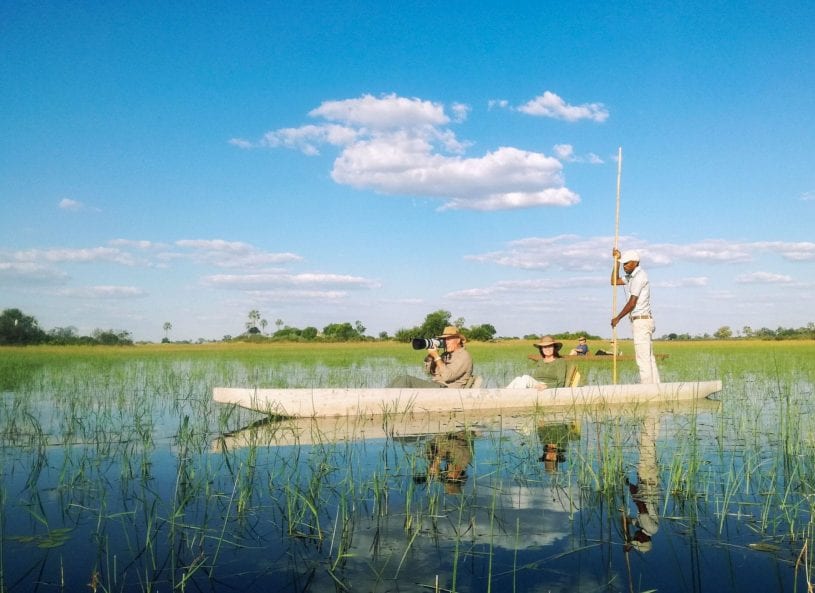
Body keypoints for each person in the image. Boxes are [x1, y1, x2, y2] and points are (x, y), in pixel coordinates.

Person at [611, 248, 661, 384]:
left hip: (641, 321)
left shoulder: (639, 276)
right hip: (642, 320)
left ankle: (647, 389)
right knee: (648, 357)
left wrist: (618, 318)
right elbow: (614, 281)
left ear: (635, 263)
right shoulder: (631, 276)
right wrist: (616, 261)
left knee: (642, 358)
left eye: (627, 263)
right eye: (623, 264)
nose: (624, 266)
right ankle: (656, 387)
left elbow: (632, 302)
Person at [388, 326, 473, 388]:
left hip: (447, 390)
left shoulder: (464, 356)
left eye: (449, 339)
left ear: (458, 340)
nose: (446, 342)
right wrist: (430, 356)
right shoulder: (446, 354)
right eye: (445, 339)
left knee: (406, 380)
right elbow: (428, 371)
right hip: (436, 386)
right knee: (398, 379)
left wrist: (437, 356)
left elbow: (447, 377)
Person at [506, 335, 576, 389]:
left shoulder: (560, 361)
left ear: (554, 348)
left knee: (525, 378)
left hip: (548, 388)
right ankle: (505, 394)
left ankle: (515, 396)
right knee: (518, 379)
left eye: (550, 346)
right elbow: (535, 378)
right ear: (541, 349)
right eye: (544, 347)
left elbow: (561, 382)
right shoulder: (540, 361)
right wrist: (536, 385)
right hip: (537, 386)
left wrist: (546, 386)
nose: (547, 349)